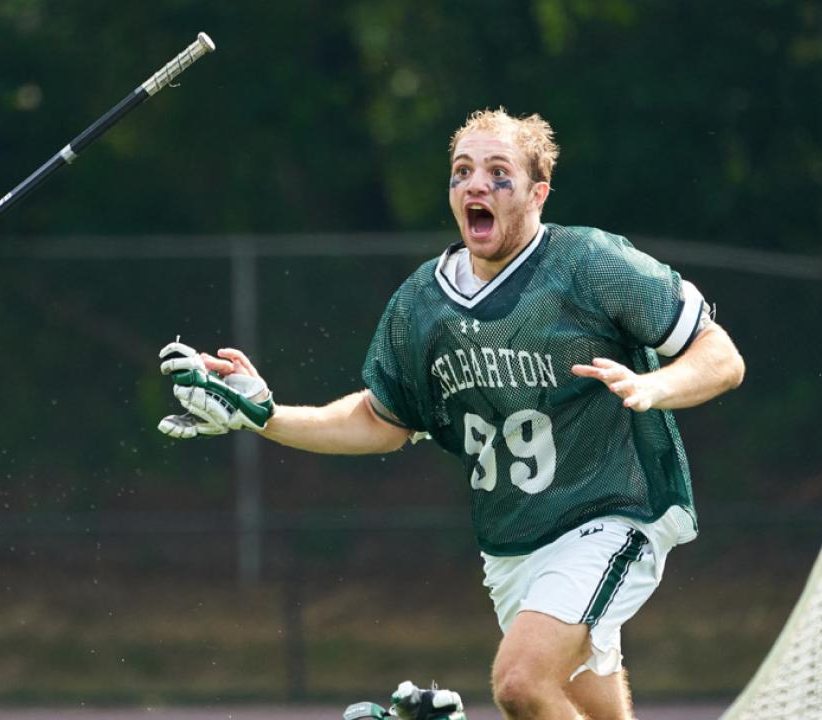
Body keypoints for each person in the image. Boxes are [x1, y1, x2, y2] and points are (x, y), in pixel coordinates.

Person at [157, 108, 745, 720]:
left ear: (537, 193)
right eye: (462, 172)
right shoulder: (423, 302)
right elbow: (380, 421)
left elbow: (721, 356)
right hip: (512, 544)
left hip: (614, 512)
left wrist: (656, 385)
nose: (475, 186)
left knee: (520, 684)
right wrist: (267, 416)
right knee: (580, 706)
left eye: (498, 173)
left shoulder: (590, 264)